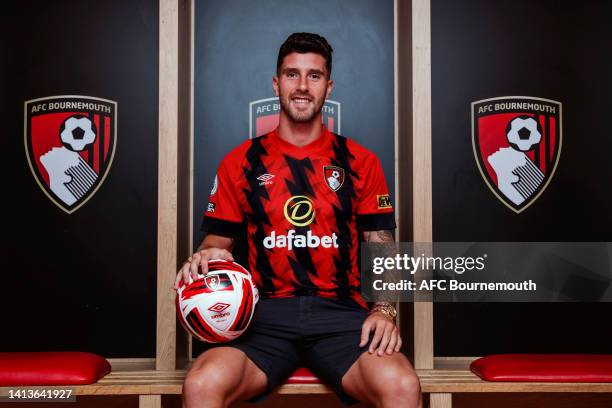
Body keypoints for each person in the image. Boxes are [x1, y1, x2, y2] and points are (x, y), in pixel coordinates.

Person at [175, 32, 422, 408]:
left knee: (403, 386)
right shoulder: (240, 162)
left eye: (314, 75)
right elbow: (216, 245)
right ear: (277, 83)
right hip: (263, 317)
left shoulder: (360, 161)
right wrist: (205, 258)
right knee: (200, 385)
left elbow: (381, 246)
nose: (303, 86)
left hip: (341, 317)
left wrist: (385, 310)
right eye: (292, 74)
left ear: (329, 85)